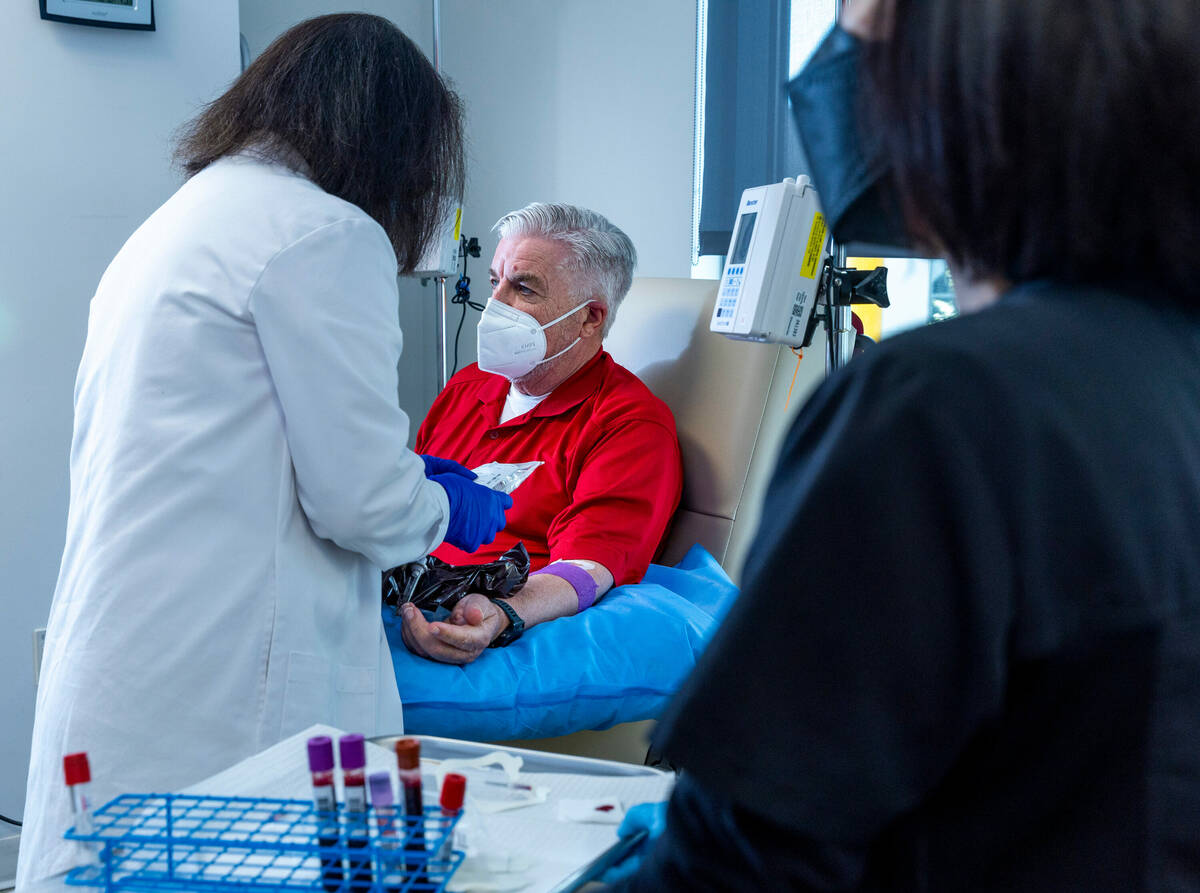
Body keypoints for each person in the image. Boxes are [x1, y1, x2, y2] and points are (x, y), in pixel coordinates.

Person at [608, 0, 1200, 889]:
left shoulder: (943, 410)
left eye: (865, 25)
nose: (837, 67)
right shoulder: (1156, 378)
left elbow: (738, 864)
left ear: (968, 87)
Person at [18, 14, 511, 885]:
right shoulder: (324, 234)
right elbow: (362, 500)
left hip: (135, 641)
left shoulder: (180, 221)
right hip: (225, 672)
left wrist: (404, 483)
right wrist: (440, 503)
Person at [401, 203, 683, 664]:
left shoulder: (628, 425)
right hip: (403, 594)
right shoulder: (467, 386)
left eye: (524, 288)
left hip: (490, 623)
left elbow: (587, 568)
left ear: (591, 317)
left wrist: (500, 614)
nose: (494, 306)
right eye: (495, 282)